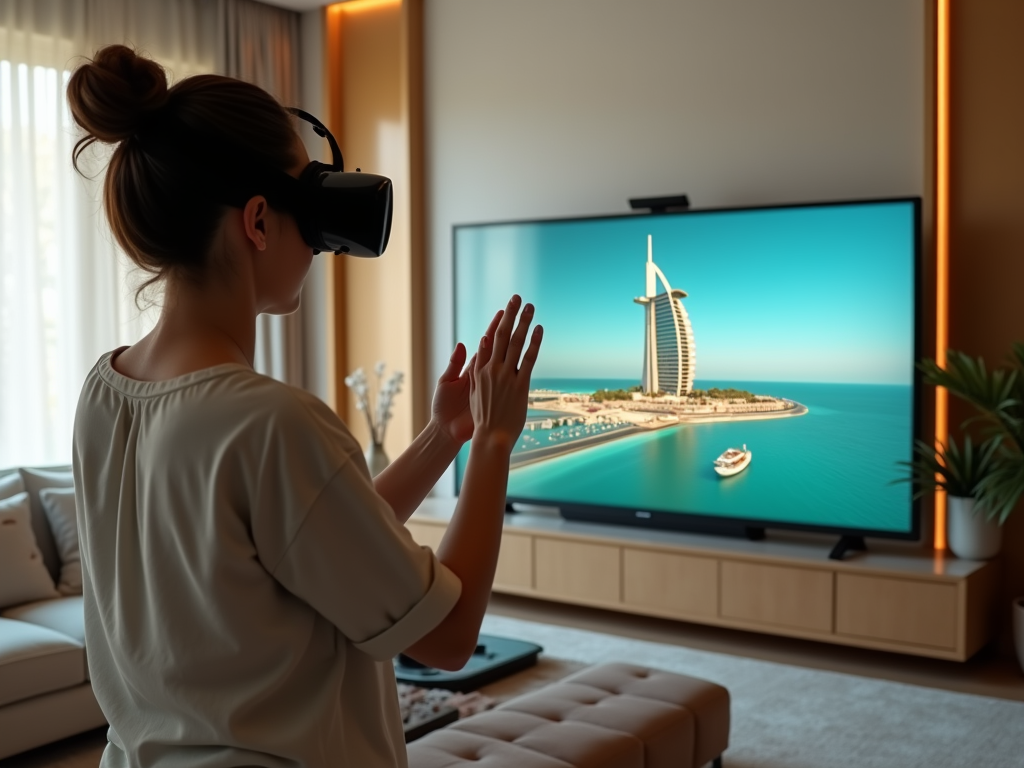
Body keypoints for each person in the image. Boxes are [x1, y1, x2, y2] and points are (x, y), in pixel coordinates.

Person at [66, 44, 543, 768]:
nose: (324, 243)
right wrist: (497, 445)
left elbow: (315, 537)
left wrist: (444, 437)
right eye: (310, 199)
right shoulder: (268, 420)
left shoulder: (106, 391)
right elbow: (445, 640)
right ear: (258, 222)